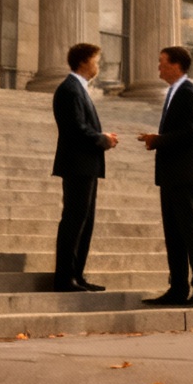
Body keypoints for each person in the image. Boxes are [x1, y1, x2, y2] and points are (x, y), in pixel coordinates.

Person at [137, 45, 193, 307]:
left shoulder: (191, 92)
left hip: (185, 172)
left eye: (162, 62)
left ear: (176, 64)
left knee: (191, 231)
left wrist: (158, 139)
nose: (158, 67)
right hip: (172, 173)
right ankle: (178, 288)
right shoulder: (174, 92)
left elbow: (191, 132)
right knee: (174, 233)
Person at [50, 42, 117, 293]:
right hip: (76, 164)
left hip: (85, 165)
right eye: (96, 60)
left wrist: (101, 137)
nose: (98, 65)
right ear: (84, 62)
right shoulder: (69, 89)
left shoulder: (79, 89)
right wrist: (103, 139)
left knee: (85, 221)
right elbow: (75, 129)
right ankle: (65, 278)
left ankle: (77, 275)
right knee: (74, 221)